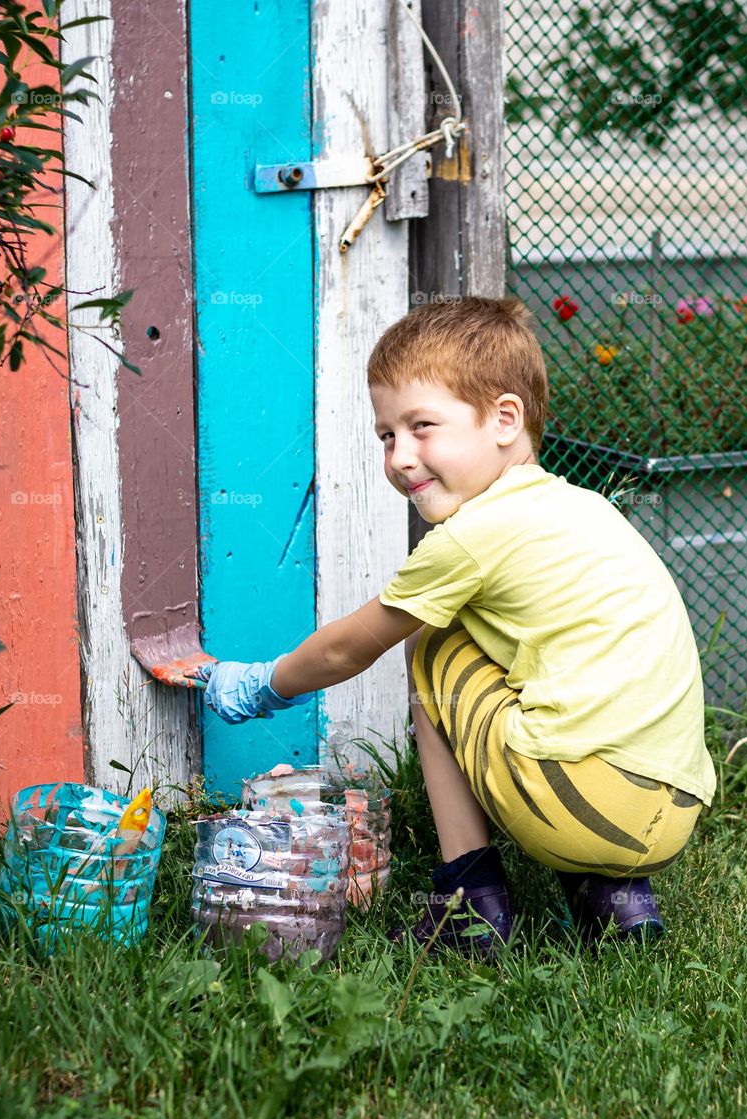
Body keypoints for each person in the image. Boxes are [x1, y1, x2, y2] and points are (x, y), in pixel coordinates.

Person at [198, 297, 717, 956]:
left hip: (583, 805)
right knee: (544, 679)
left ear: (504, 419)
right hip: (674, 808)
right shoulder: (584, 508)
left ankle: (469, 907)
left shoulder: (470, 536)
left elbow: (347, 647)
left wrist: (264, 685)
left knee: (431, 643)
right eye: (388, 435)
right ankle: (614, 898)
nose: (401, 457)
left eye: (422, 427)